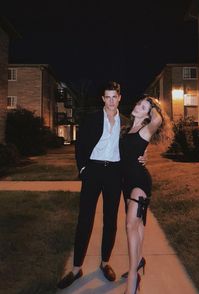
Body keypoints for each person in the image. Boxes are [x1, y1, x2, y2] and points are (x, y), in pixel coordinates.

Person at [57, 81, 146, 289]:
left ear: (120, 98)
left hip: (114, 173)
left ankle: (105, 263)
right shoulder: (92, 119)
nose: (112, 100)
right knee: (85, 220)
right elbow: (79, 146)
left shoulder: (126, 123)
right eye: (108, 97)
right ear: (103, 99)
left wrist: (143, 158)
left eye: (115, 96)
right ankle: (77, 269)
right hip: (93, 171)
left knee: (111, 220)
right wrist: (83, 170)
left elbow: (135, 146)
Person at [119, 97, 173, 294]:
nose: (138, 107)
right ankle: (139, 260)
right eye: (139, 103)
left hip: (140, 182)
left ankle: (133, 279)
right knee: (138, 226)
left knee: (129, 224)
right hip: (126, 183)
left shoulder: (146, 128)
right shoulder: (126, 129)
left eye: (143, 107)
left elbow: (158, 120)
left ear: (147, 114)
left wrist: (152, 104)